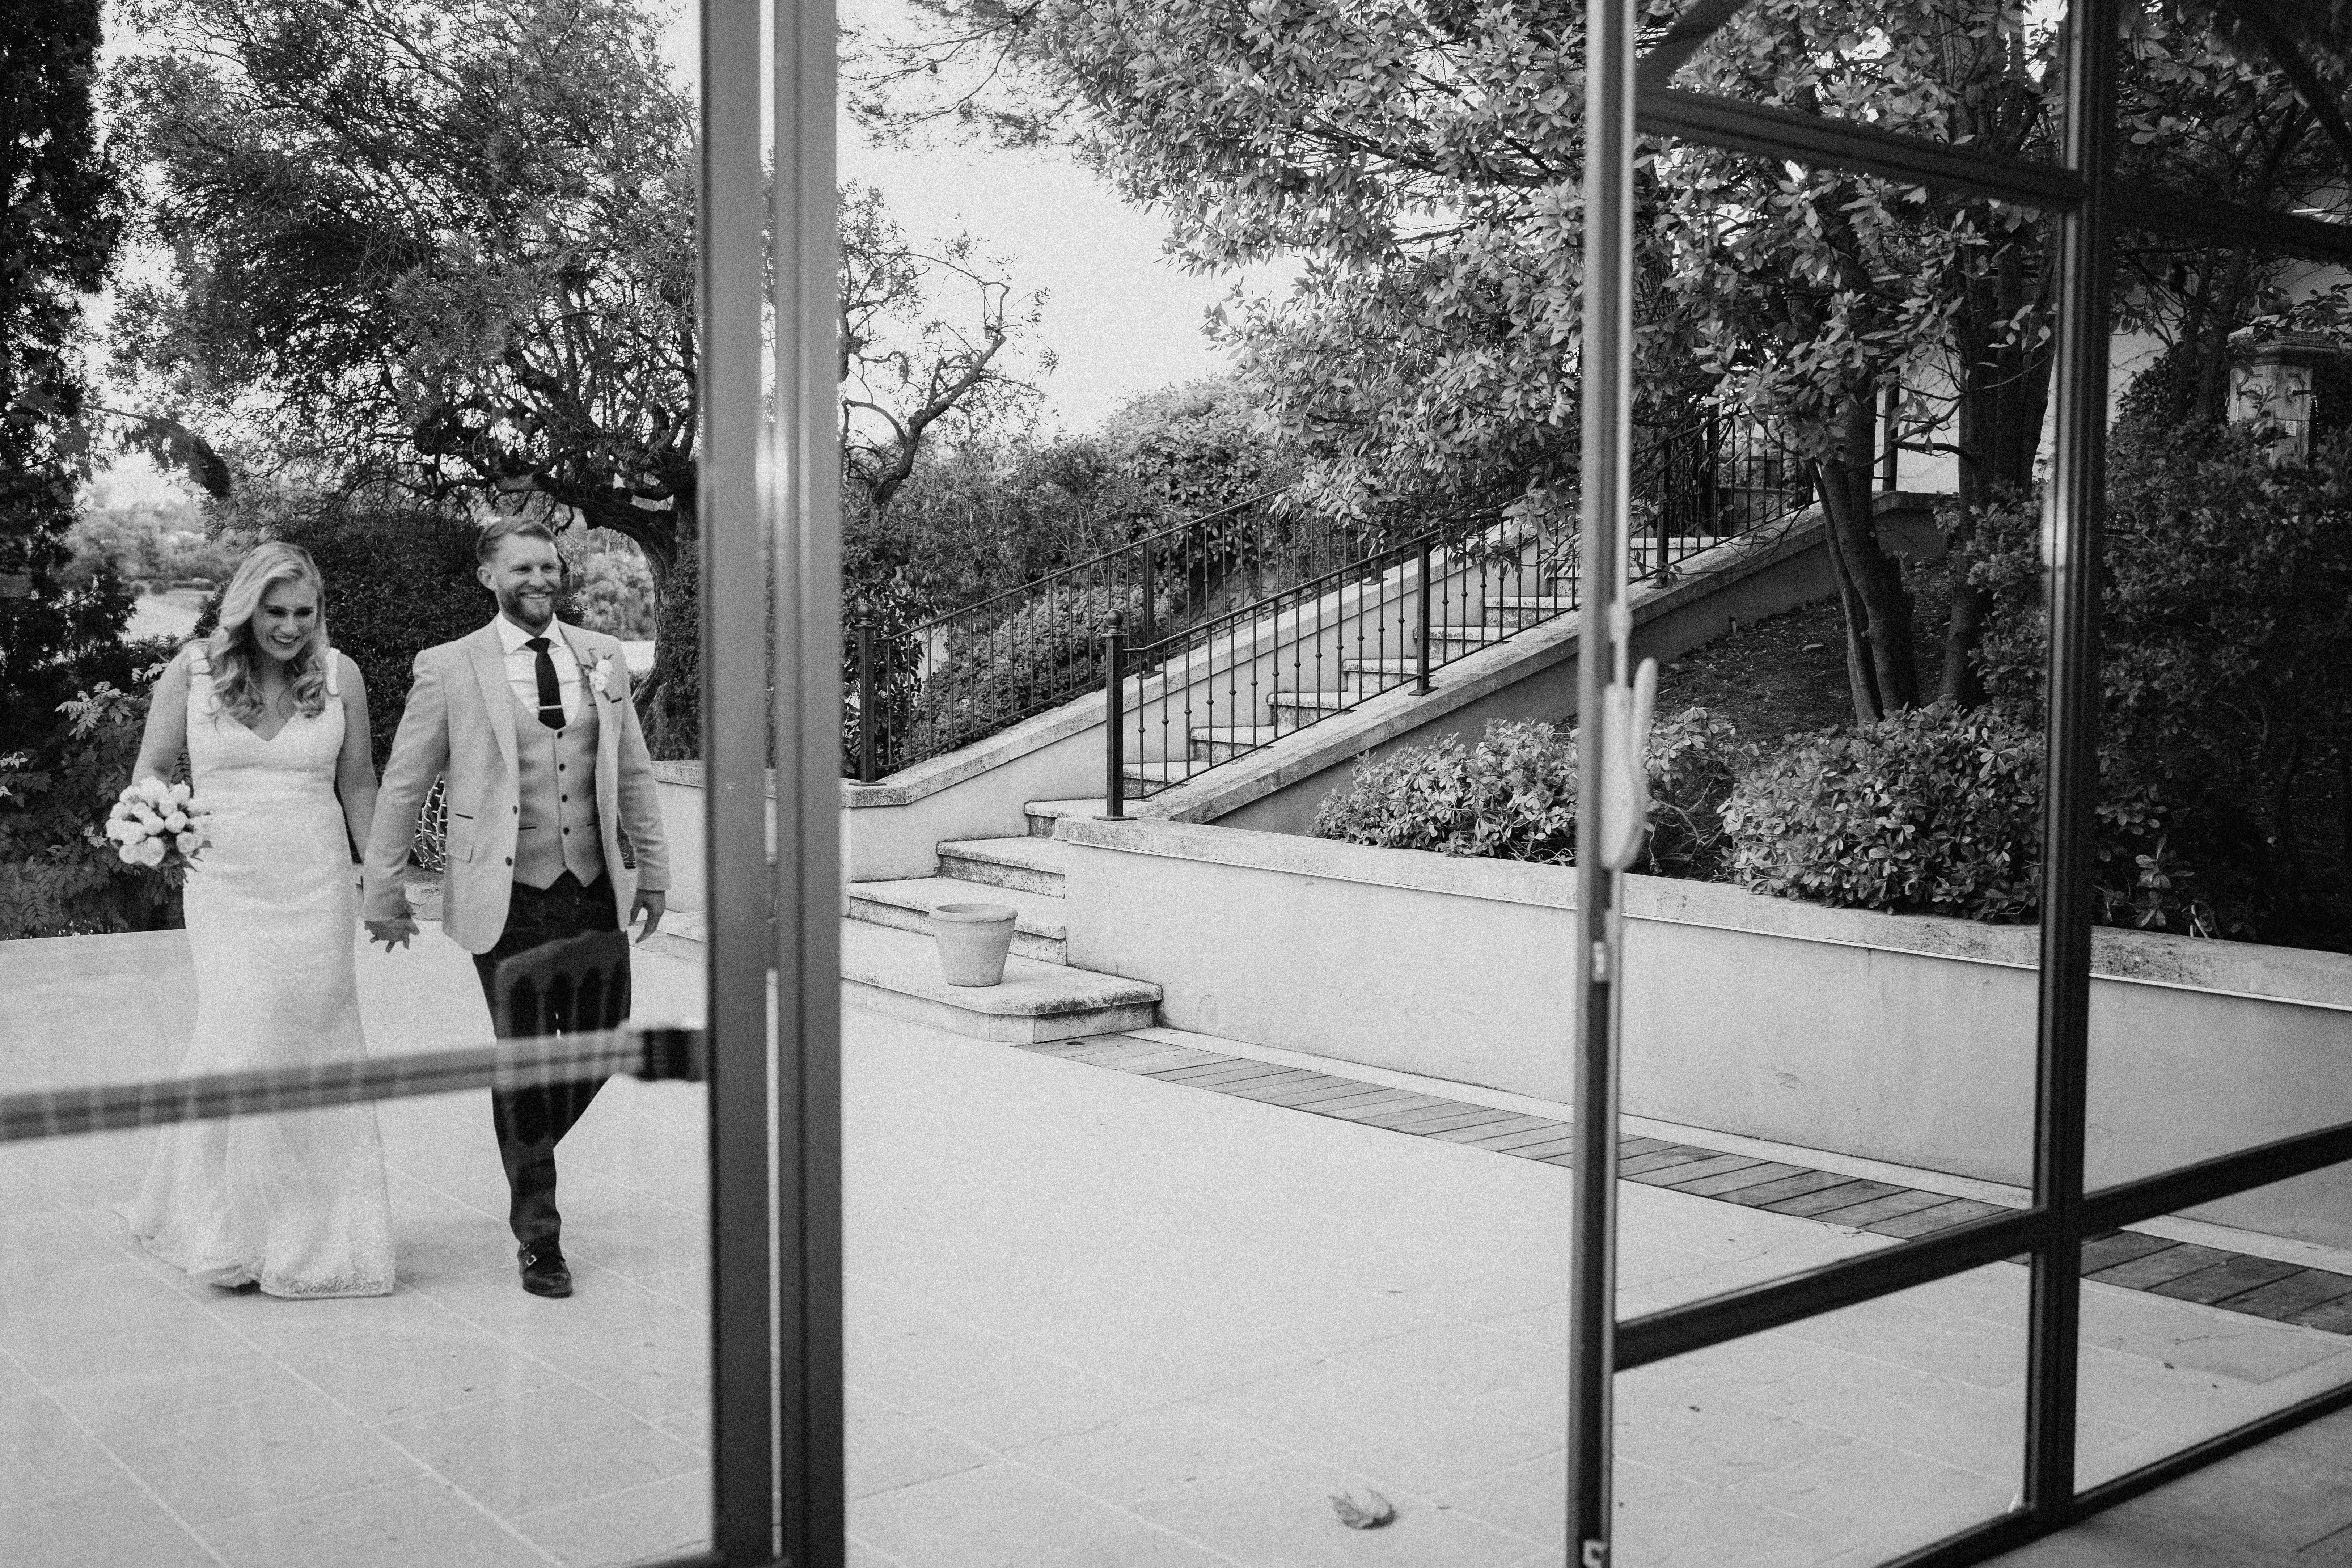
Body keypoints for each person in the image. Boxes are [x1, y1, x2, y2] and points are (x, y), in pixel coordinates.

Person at [361, 516, 668, 1299]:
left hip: (594, 885)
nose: (541, 580)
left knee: (600, 1047)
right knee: (527, 1058)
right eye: (523, 568)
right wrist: (382, 882)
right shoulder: (449, 666)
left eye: (551, 567)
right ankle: (540, 1237)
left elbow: (631, 773)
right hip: (507, 896)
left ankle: (519, 1130)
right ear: (487, 577)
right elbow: (404, 782)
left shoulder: (601, 657)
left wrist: (655, 870)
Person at [120, 542, 397, 1298]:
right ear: (246, 607)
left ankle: (310, 1236)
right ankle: (227, 1232)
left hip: (314, 884)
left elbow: (360, 782)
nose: (290, 627)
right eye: (275, 612)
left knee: (311, 1044)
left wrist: (381, 877)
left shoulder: (340, 676)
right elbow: (152, 764)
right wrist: (158, 817)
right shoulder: (195, 669)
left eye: (304, 613)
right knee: (244, 1031)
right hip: (226, 883)